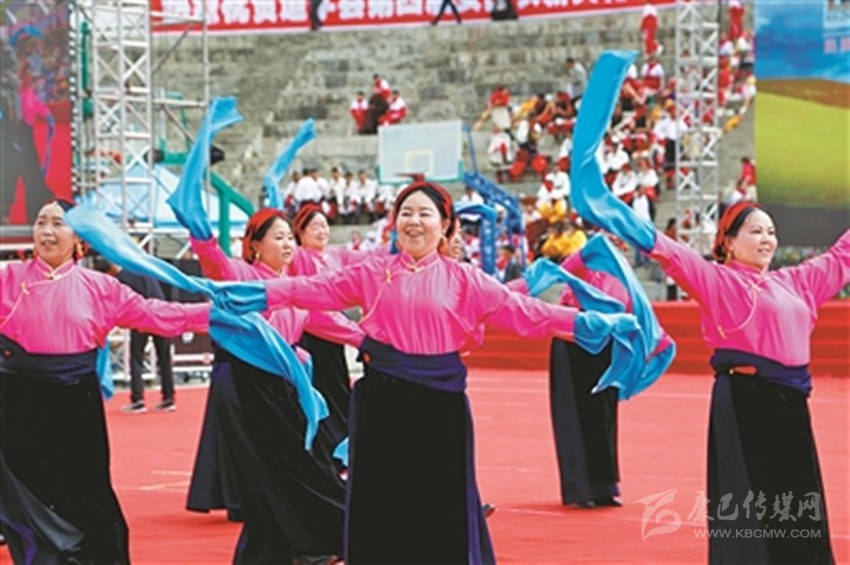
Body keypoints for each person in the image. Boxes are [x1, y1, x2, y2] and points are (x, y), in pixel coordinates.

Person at [219, 181, 640, 563]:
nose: (414, 221)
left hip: (441, 409)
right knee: (383, 509)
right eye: (406, 213)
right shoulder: (373, 273)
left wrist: (589, 322)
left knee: (440, 508)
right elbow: (311, 289)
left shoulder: (465, 279)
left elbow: (527, 312)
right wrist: (257, 293)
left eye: (425, 213)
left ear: (445, 227)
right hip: (382, 405)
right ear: (394, 224)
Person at [572, 54, 846, 561]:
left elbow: (842, 256)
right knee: (755, 518)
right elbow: (663, 248)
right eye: (755, 231)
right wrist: (606, 205)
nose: (767, 239)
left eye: (771, 231)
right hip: (746, 404)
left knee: (798, 510)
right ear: (729, 241)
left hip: (791, 404)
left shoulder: (799, 282)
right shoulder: (718, 281)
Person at [0, 200, 210, 564]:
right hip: (18, 408)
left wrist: (218, 313)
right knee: (30, 505)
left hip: (76, 406)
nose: (47, 231)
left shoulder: (100, 288)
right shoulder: (8, 279)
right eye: (41, 222)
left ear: (79, 238)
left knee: (88, 498)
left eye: (58, 224)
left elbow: (158, 314)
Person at [187, 208, 364, 563]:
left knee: (303, 468)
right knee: (270, 473)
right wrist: (199, 230)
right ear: (254, 245)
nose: (287, 245)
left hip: (287, 391)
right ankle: (308, 547)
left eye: (289, 238)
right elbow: (213, 261)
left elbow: (330, 322)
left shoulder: (292, 287)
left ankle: (306, 546)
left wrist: (371, 341)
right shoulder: (243, 276)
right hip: (248, 390)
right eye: (278, 237)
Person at [288, 204, 369, 453]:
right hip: (311, 335)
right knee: (317, 390)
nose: (322, 231)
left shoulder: (336, 256)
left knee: (339, 388)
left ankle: (344, 445)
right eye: (315, 227)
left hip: (334, 333)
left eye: (324, 226)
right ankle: (321, 446)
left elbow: (371, 258)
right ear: (301, 233)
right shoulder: (299, 255)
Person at [92, 258, 177, 413]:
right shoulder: (139, 269)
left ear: (108, 272)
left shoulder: (120, 281)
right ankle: (169, 398)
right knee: (164, 359)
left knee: (136, 359)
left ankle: (138, 400)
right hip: (163, 315)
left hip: (142, 319)